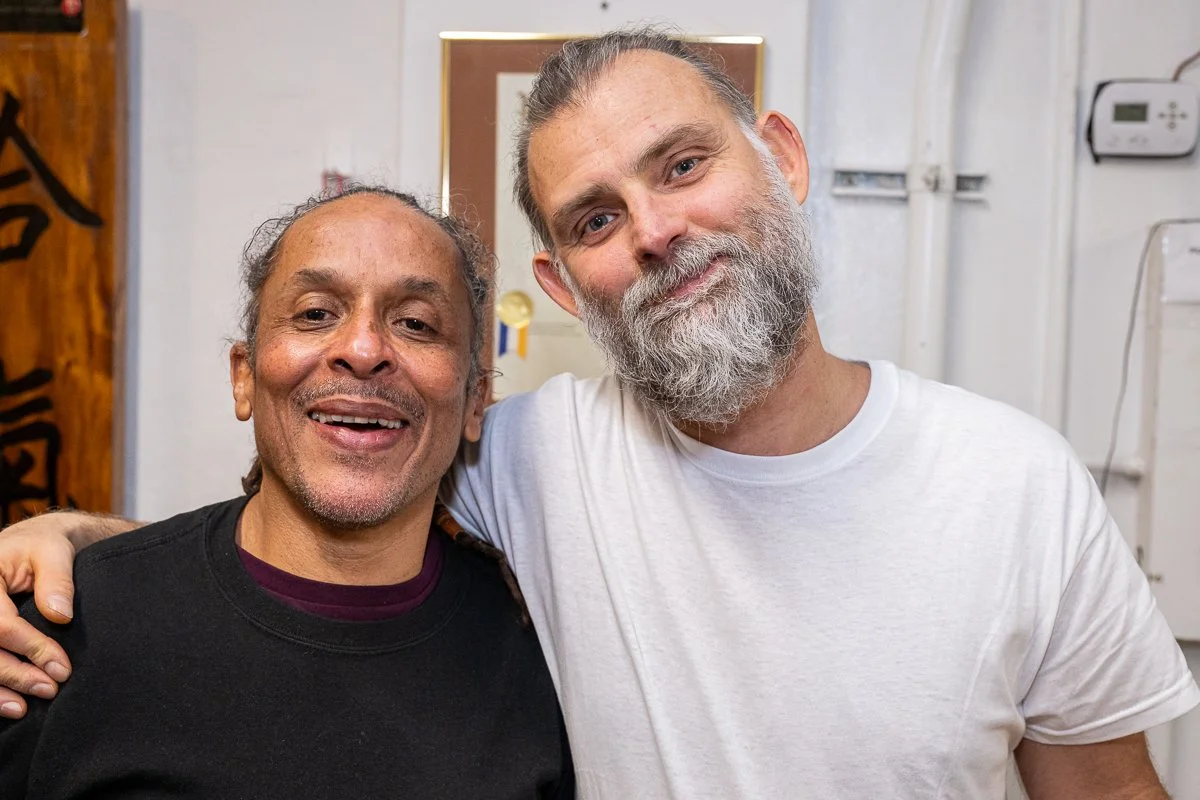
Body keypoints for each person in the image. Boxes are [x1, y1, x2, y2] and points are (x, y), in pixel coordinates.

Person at [0, 27, 1195, 799]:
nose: (657, 231)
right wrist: (66, 549)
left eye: (682, 166)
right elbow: (313, 511)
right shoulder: (530, 454)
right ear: (569, 285)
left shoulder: (1016, 486)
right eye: (596, 218)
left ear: (781, 158)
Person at [0, 187, 573, 799]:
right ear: (244, 377)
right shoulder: (64, 628)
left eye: (415, 323)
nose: (363, 350)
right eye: (316, 313)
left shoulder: (545, 649)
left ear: (475, 401)